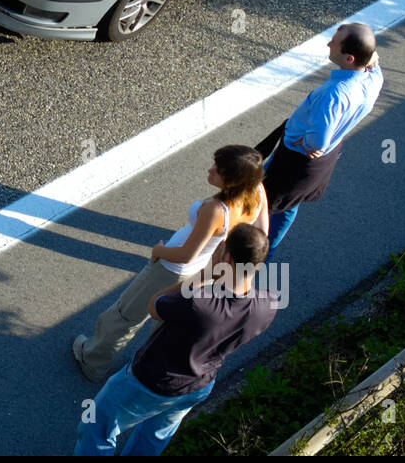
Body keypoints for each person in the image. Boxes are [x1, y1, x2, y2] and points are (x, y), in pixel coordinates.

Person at [74, 223, 278, 456]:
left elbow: (154, 306)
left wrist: (206, 274)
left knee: (96, 425)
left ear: (228, 258)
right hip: (198, 385)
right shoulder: (268, 305)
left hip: (152, 380)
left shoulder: (198, 301)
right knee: (152, 438)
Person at [71, 145, 268, 383]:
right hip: (202, 271)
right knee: (165, 321)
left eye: (218, 170)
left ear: (233, 180)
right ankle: (143, 364)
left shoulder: (216, 210)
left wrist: (158, 251)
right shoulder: (256, 193)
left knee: (126, 315)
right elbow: (262, 232)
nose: (210, 169)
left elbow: (187, 254)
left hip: (172, 269)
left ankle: (93, 361)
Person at [258, 22, 383, 256]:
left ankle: (238, 249)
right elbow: (374, 60)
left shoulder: (334, 94)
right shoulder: (374, 80)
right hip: (320, 165)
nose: (328, 44)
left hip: (293, 162)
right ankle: (265, 252)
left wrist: (302, 142)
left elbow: (317, 142)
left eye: (335, 43)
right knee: (288, 205)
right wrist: (372, 58)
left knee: (260, 201)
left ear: (350, 59)